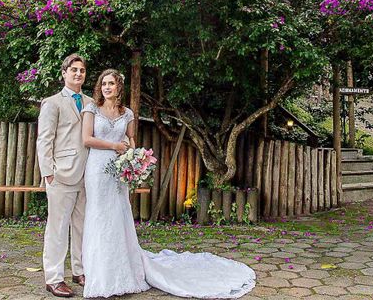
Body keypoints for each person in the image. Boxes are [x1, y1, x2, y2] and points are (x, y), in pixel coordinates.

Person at [81, 68, 256, 299]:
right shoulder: (92, 108)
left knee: (118, 215)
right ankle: (99, 273)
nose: (106, 87)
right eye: (104, 84)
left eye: (111, 83)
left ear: (119, 87)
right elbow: (86, 139)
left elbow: (131, 139)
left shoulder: (128, 113)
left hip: (119, 171)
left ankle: (122, 270)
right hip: (97, 169)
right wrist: (115, 147)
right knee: (99, 216)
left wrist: (133, 157)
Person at [37, 54, 92, 298]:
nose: (78, 74)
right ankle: (54, 277)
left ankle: (79, 271)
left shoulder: (92, 102)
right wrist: (48, 172)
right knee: (57, 228)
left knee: (82, 226)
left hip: (88, 174)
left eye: (81, 70)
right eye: (73, 70)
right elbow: (44, 139)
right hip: (61, 174)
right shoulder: (52, 102)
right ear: (64, 73)